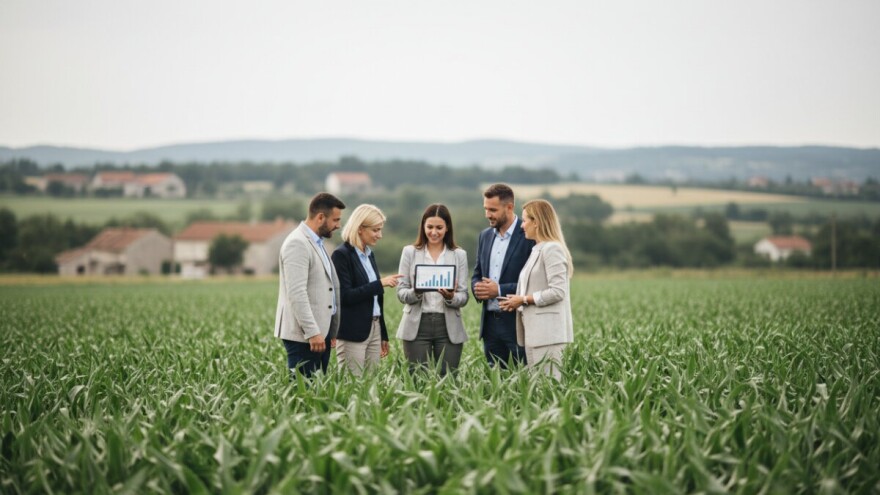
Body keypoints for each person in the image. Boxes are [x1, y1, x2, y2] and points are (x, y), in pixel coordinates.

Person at [498, 199, 574, 379]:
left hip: (548, 334)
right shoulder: (537, 249)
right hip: (534, 333)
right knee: (538, 389)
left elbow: (558, 291)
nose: (522, 226)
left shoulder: (552, 249)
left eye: (525, 221)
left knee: (549, 387)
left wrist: (524, 300)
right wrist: (515, 302)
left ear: (537, 222)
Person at [274, 192, 346, 379]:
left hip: (321, 335)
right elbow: (296, 293)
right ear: (321, 217)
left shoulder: (318, 242)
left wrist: (330, 331)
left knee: (318, 392)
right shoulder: (297, 243)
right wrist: (313, 332)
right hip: (305, 337)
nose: (338, 225)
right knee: (303, 395)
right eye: (335, 220)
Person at [396, 204, 469, 374]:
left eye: (439, 227)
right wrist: (416, 292)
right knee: (417, 378)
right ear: (423, 226)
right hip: (417, 324)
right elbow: (401, 292)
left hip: (448, 325)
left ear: (447, 228)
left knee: (448, 379)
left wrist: (451, 297)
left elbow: (464, 296)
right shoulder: (409, 252)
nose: (434, 232)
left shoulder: (459, 255)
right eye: (429, 227)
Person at [331, 204, 403, 376]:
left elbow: (376, 301)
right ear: (360, 229)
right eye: (376, 230)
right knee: (352, 387)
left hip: (374, 328)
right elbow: (345, 296)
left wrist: (383, 335)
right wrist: (379, 284)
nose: (380, 235)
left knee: (371, 388)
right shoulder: (341, 255)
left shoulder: (370, 254)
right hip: (352, 331)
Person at [471, 183, 535, 368]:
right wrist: (478, 288)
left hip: (518, 324)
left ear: (509, 207)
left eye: (493, 210)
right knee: (495, 384)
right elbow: (477, 273)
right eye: (485, 209)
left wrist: (498, 290)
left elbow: (533, 283)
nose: (487, 214)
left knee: (523, 379)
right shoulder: (485, 236)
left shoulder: (528, 235)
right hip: (490, 325)